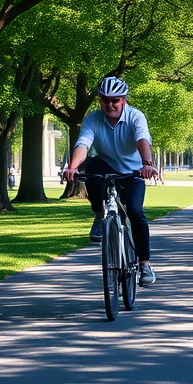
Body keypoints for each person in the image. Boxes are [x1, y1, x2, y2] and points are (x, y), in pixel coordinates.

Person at [62, 76, 159, 286]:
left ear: (124, 100)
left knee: (135, 213)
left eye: (115, 100)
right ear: (99, 99)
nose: (110, 104)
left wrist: (147, 164)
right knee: (93, 167)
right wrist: (72, 166)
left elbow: (142, 139)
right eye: (105, 100)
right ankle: (99, 215)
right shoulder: (93, 119)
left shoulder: (136, 116)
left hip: (134, 172)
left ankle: (144, 265)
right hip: (105, 167)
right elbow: (83, 143)